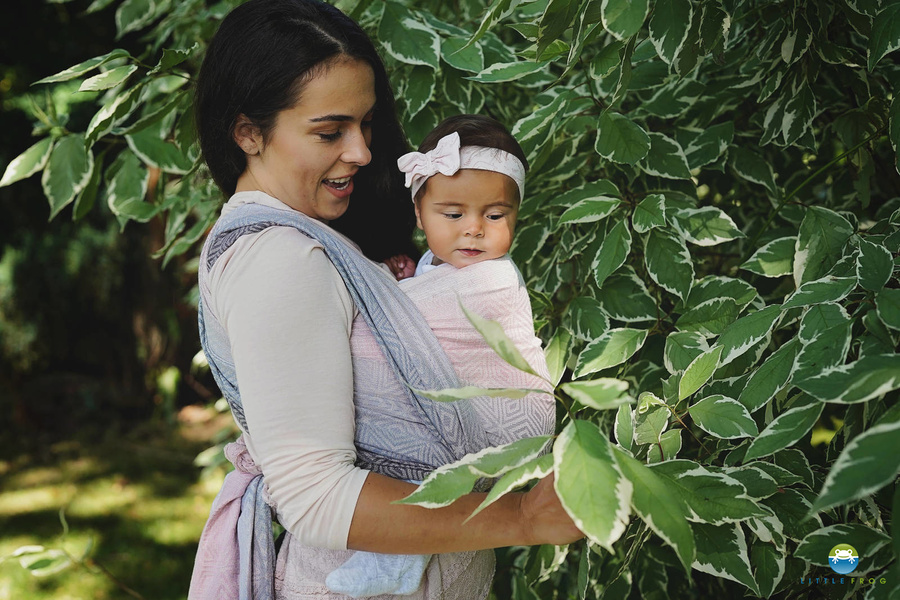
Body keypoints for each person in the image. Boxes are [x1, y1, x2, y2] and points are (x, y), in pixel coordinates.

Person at [187, 1, 583, 599]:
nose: (362, 152)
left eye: (366, 124)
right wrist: (522, 518)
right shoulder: (280, 260)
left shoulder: (308, 240)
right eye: (330, 132)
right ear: (248, 132)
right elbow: (316, 497)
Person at [325, 115, 554, 597]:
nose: (473, 230)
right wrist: (405, 276)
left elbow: (390, 323)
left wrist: (384, 288)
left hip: (502, 415)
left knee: (410, 455)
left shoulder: (492, 278)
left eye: (495, 216)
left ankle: (396, 558)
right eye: (453, 215)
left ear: (515, 216)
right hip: (465, 402)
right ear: (418, 213)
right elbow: (421, 304)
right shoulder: (440, 263)